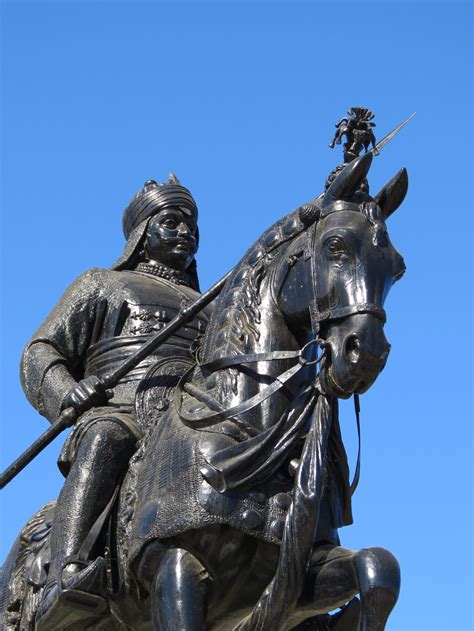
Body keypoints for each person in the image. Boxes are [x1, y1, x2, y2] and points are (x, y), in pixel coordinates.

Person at [21, 174, 212, 629]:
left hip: (192, 419)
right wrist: (70, 391)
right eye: (171, 222)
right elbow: (40, 351)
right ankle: (65, 574)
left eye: (191, 225)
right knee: (106, 434)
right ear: (142, 232)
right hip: (123, 408)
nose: (185, 231)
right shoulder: (102, 283)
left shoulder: (211, 304)